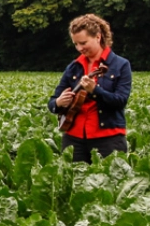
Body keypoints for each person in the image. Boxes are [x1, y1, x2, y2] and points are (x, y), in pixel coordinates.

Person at [49, 13, 131, 162]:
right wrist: (58, 103)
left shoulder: (120, 65)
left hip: (108, 137)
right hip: (74, 137)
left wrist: (95, 90)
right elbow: (52, 102)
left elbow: (120, 101)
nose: (79, 48)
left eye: (83, 43)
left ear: (98, 37)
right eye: (76, 44)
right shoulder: (73, 67)